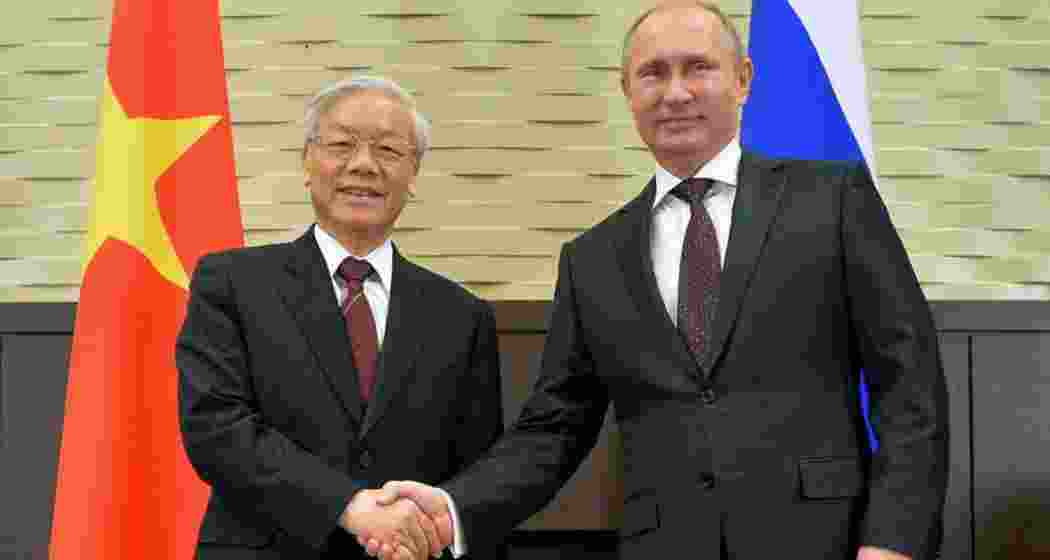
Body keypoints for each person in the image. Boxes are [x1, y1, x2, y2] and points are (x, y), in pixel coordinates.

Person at [368, 2, 949, 559]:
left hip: (826, 539)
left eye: (698, 67)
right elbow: (553, 429)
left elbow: (910, 384)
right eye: (653, 73)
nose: (675, 92)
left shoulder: (832, 200)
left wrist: (893, 540)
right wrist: (451, 509)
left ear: (743, 80)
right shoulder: (592, 258)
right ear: (628, 92)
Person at [176, 76, 506, 560]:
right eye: (342, 144)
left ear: (413, 174)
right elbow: (216, 427)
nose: (364, 165)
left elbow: (474, 476)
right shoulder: (231, 282)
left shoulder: (462, 316)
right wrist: (347, 505)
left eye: (389, 150)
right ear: (307, 161)